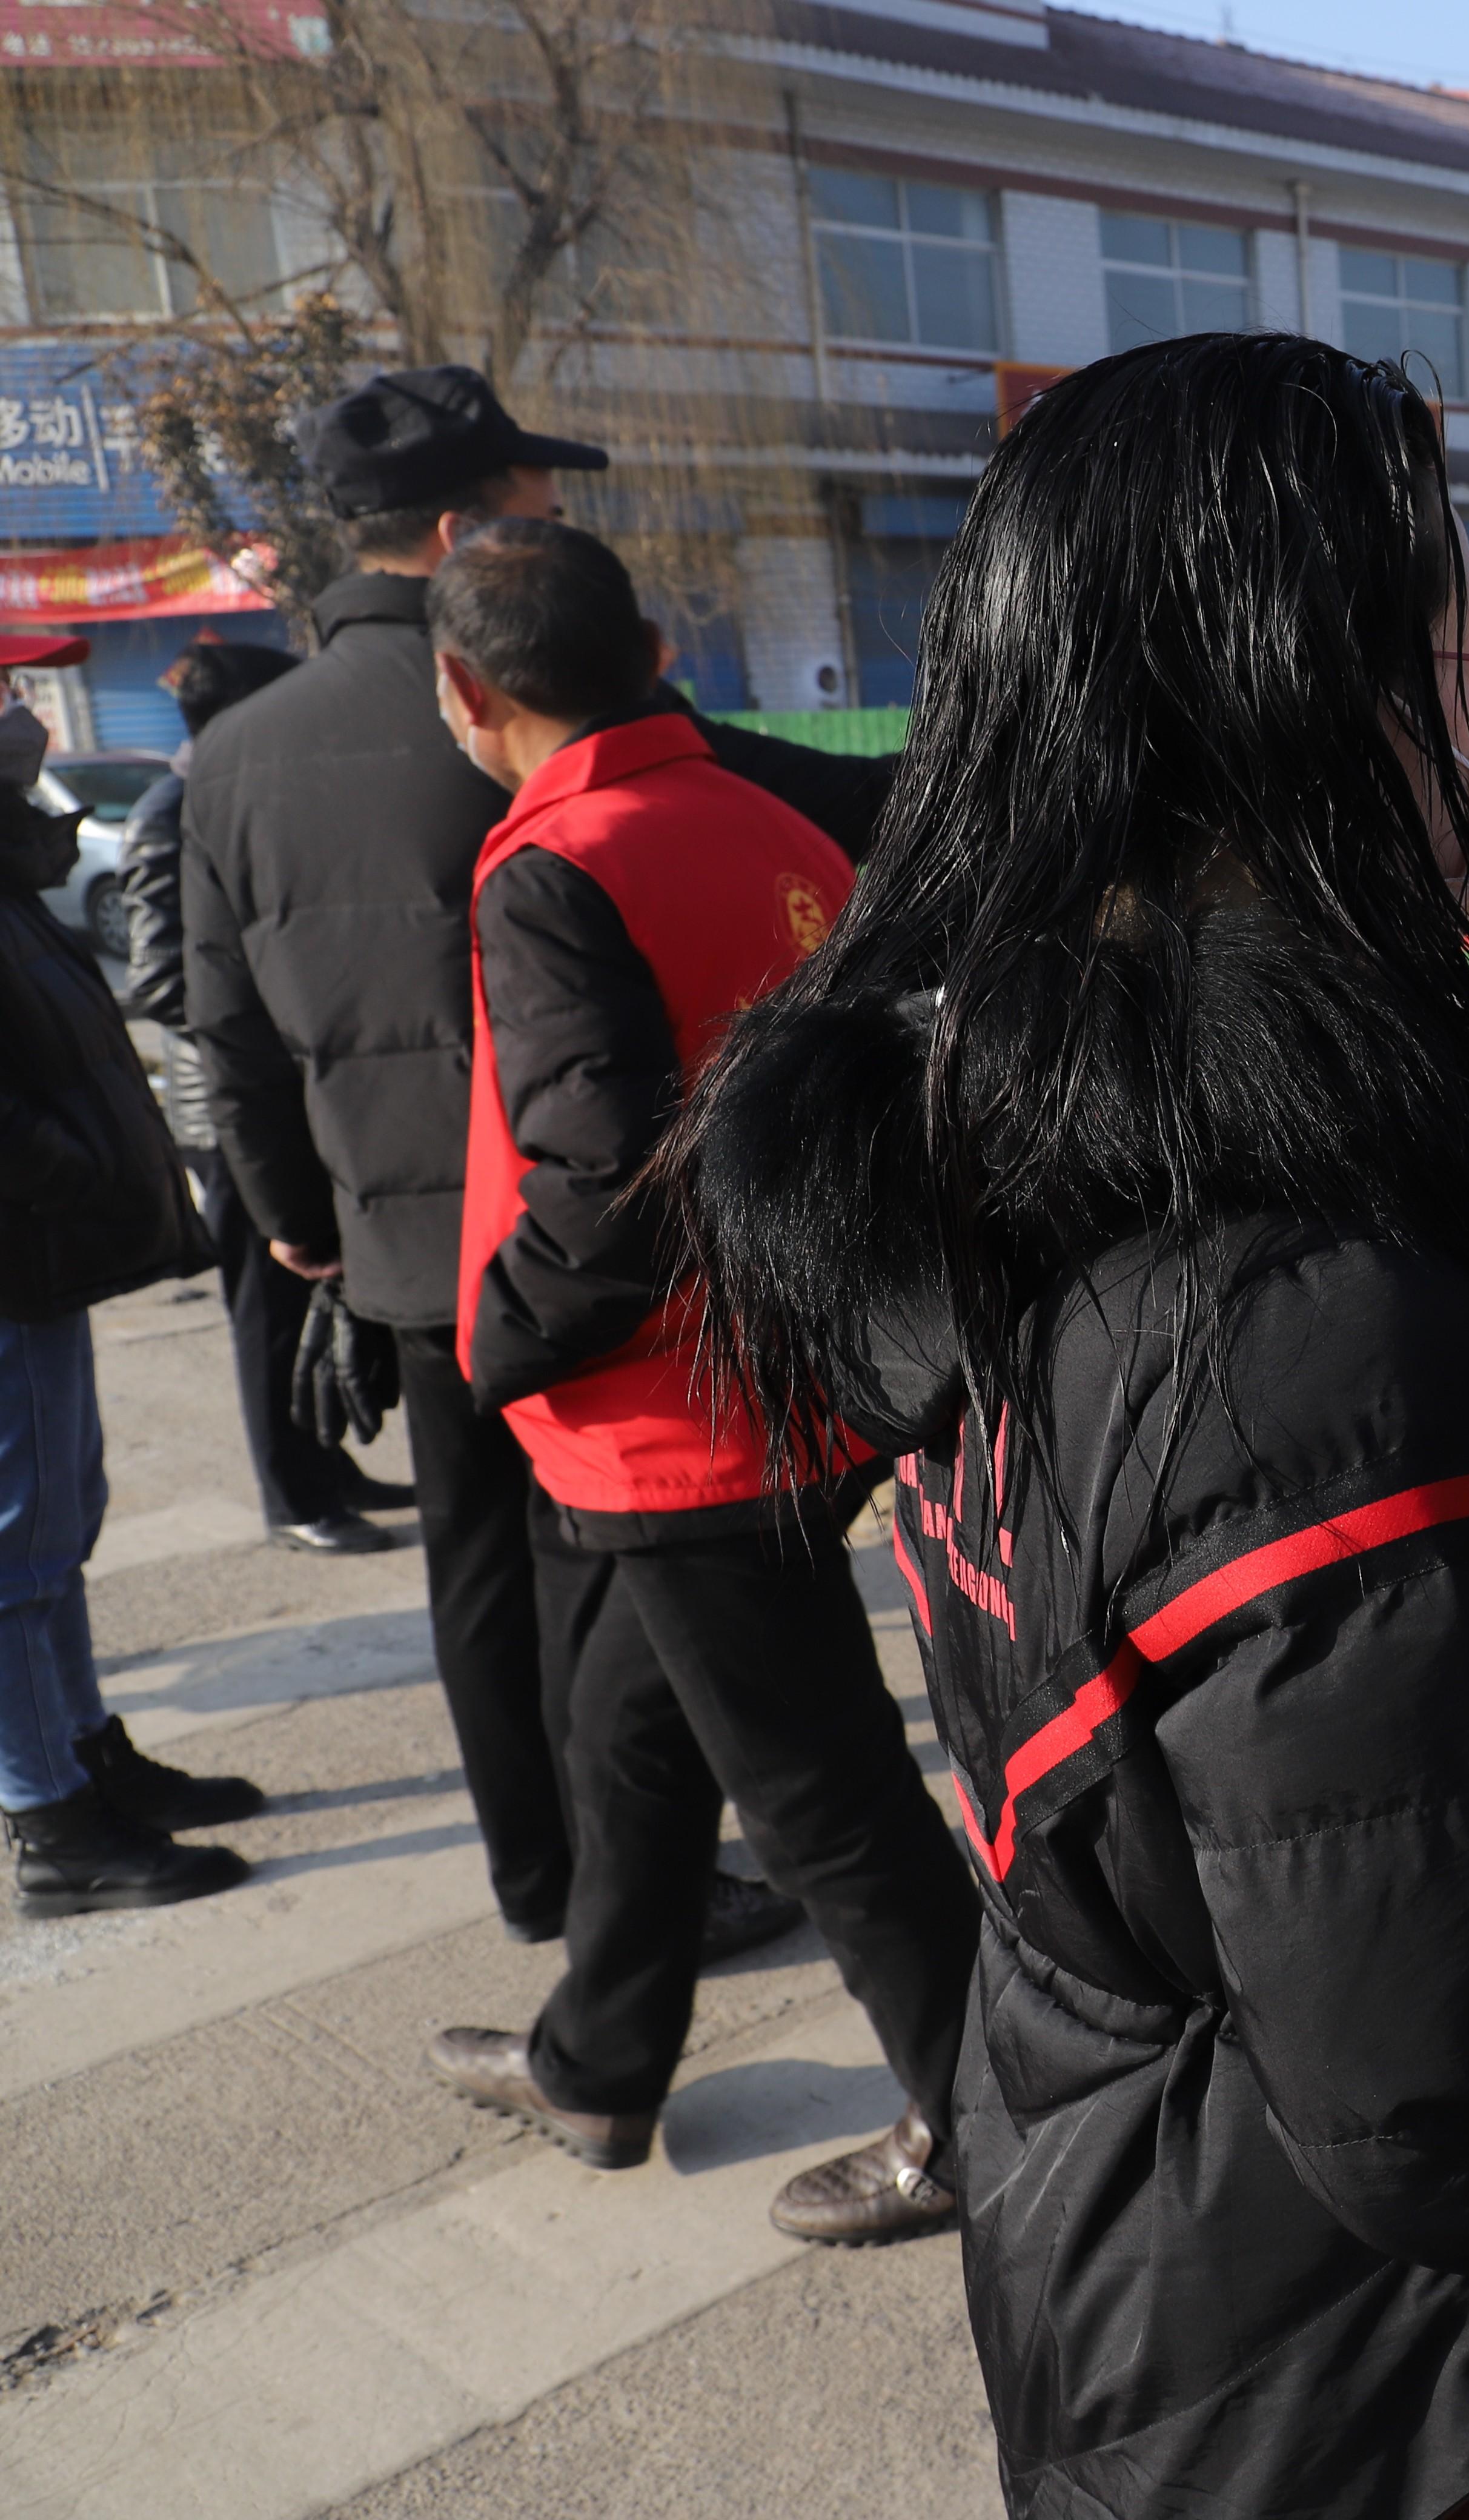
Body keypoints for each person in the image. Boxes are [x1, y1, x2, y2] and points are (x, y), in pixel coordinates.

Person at [668, 334, 1469, 2514]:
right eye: (1461, 667)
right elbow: (1448, 2116)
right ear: (1291, 709)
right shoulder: (1300, 1329)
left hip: (1124, 2238)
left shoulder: (998, 1151)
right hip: (1363, 2395)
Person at [402, 517, 981, 2244]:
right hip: (791, 1375)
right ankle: (599, 2058)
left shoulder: (558, 861)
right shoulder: (768, 820)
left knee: (829, 1803)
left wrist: (500, 1336)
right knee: (628, 1740)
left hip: (676, 1423)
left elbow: (608, 1179)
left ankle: (982, 2126)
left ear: (464, 689)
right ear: (653, 654)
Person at [179, 366, 798, 1961]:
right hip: (577, 1240)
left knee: (475, 1578)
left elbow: (226, 1029)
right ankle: (642, 1897)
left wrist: (299, 1224)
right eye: (536, 502)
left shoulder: (234, 751)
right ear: (465, 535)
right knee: (610, 1581)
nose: (560, 518)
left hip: (399, 1253)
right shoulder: (533, 706)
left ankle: (539, 1879)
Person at [1, 672, 268, 1913]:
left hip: (40, 1261)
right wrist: (78, 1171)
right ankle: (51, 1818)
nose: (22, 718)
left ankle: (83, 1757)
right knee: (15, 1549)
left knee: (54, 1530)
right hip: (17, 1258)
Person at [119, 637, 413, 1554]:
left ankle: (329, 1467)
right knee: (268, 1313)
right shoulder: (175, 809)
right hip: (232, 1114)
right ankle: (294, 1499)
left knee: (314, 1303)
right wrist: (273, 1015)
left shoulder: (237, 795)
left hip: (283, 1096)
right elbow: (160, 980)